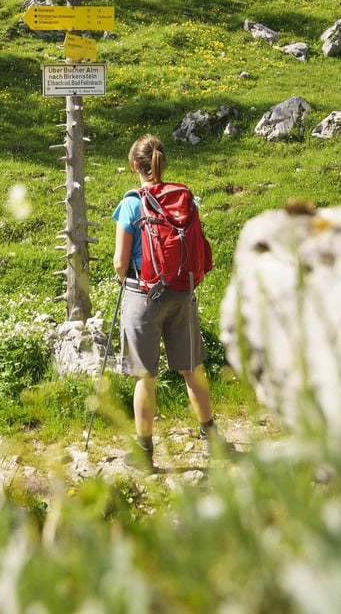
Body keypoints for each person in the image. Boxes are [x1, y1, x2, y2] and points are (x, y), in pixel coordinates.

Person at [112, 133, 226, 471]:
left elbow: (120, 261)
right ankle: (211, 439)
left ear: (135, 166)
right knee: (193, 369)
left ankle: (144, 454)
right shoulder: (184, 199)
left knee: (145, 377)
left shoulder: (132, 203)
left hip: (143, 295)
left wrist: (123, 277)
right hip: (182, 292)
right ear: (162, 162)